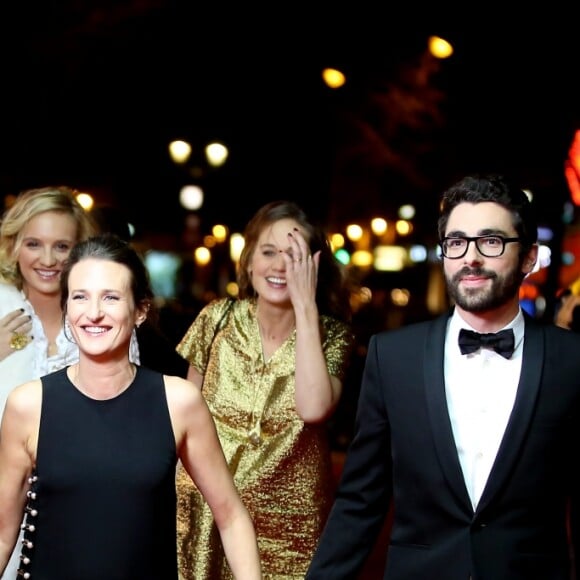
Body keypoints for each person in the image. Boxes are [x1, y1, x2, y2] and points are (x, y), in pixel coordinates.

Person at [306, 173, 580, 579]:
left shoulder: (571, 360)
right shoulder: (393, 357)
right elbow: (360, 502)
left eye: (491, 241)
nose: (471, 257)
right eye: (456, 242)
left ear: (528, 258)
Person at [0, 233, 262, 580]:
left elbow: (231, 516)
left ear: (140, 310)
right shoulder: (29, 404)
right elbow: (3, 532)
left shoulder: (178, 401)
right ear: (67, 309)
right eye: (80, 297)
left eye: (110, 297)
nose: (93, 313)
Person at [175, 200, 354, 579]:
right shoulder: (216, 318)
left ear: (314, 265)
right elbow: (183, 421)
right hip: (208, 512)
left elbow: (314, 408)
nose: (278, 266)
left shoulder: (332, 335)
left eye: (293, 255)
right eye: (268, 252)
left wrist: (306, 308)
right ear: (249, 261)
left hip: (293, 525)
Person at [0, 185, 101, 578]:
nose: (47, 259)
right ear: (13, 247)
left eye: (62, 246)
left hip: (80, 509)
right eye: (34, 244)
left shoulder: (102, 314)